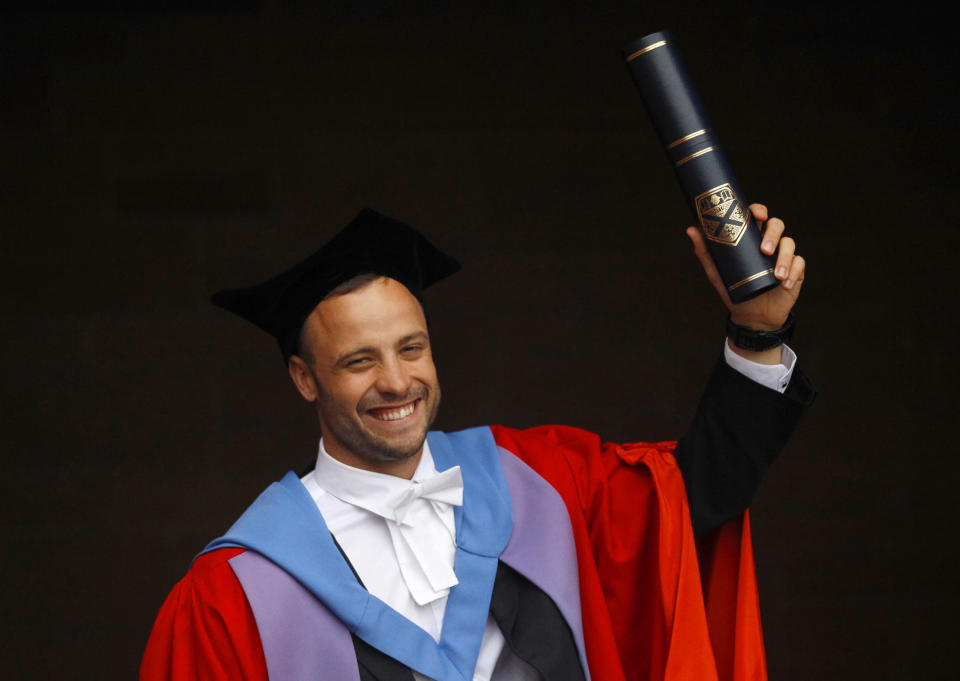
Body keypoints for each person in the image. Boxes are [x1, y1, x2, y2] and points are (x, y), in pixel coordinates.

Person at [141, 206, 814, 681]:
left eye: (412, 347)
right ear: (304, 377)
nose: (396, 380)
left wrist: (755, 334)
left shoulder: (539, 483)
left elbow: (696, 495)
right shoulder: (235, 593)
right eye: (359, 361)